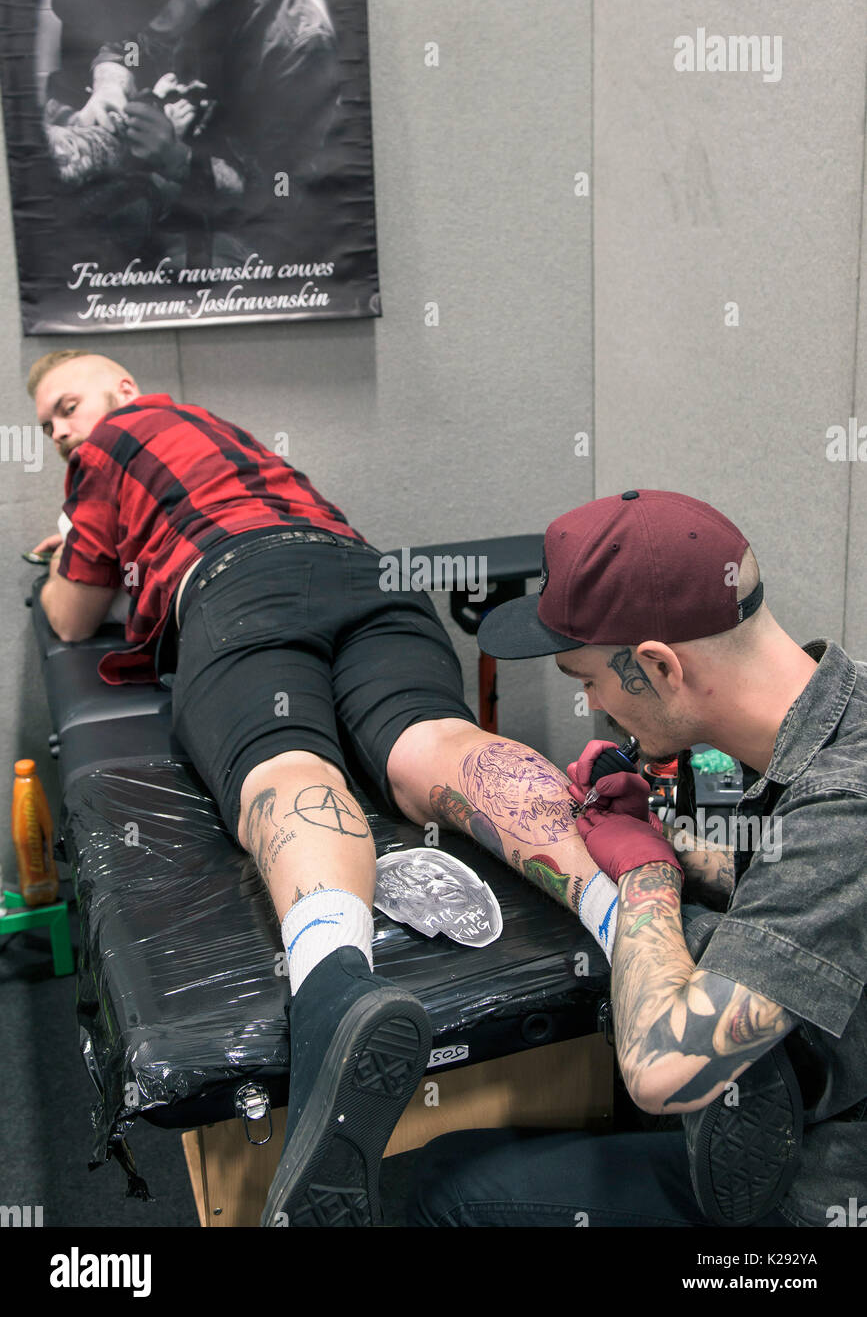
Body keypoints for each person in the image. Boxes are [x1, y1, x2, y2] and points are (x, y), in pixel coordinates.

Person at [28, 348, 605, 1228]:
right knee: (435, 744)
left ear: (123, 393)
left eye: (66, 406)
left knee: (286, 761)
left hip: (240, 585)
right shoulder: (234, 439)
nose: (63, 429)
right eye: (49, 425)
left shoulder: (108, 447)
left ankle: (337, 989)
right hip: (369, 572)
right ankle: (628, 923)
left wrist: (69, 545)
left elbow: (70, 613)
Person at [409, 489, 867, 1227]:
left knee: (448, 1194)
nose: (594, 708)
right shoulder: (836, 718)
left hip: (822, 1200)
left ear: (656, 667)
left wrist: (646, 874)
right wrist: (671, 842)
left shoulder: (846, 803)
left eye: (587, 682)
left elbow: (663, 1071)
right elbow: (795, 883)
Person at [45, 0, 340, 264]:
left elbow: (284, 190)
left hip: (253, 227)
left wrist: (178, 160)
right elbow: (128, 45)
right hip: (169, 191)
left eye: (153, 20)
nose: (143, 27)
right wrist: (110, 81)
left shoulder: (297, 49)